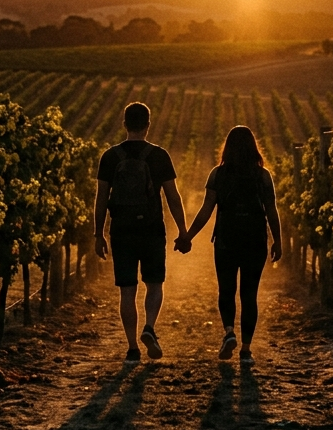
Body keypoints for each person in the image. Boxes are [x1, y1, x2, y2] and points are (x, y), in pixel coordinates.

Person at [178, 125, 282, 365]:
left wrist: (188, 236)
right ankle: (246, 350)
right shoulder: (263, 176)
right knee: (249, 294)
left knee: (226, 290)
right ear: (253, 147)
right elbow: (271, 211)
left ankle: (228, 332)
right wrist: (278, 240)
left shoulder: (218, 174)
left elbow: (206, 210)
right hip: (255, 241)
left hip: (225, 240)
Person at [94, 102, 188, 364]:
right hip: (151, 227)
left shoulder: (110, 157)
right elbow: (173, 197)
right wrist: (183, 231)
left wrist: (98, 234)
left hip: (122, 229)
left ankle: (132, 347)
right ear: (148, 125)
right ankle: (149, 327)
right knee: (154, 284)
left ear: (124, 124)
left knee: (127, 290)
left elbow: (101, 198)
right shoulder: (159, 156)